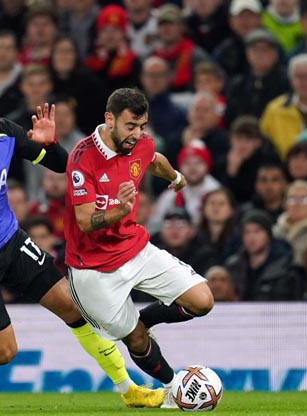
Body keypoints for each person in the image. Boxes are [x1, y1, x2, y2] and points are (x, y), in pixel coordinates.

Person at [0, 68, 164, 408]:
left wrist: (49, 143)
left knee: (74, 307)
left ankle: (128, 388)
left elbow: (64, 166)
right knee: (2, 353)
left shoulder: (5, 129)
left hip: (10, 241)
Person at [64, 88, 214, 408]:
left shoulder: (141, 143)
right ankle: (173, 387)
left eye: (141, 126)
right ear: (110, 119)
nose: (137, 134)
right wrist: (119, 210)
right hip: (93, 269)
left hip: (135, 248)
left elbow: (153, 159)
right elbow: (85, 221)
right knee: (134, 339)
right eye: (130, 126)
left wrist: (175, 177)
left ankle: (143, 319)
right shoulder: (81, 158)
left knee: (202, 301)